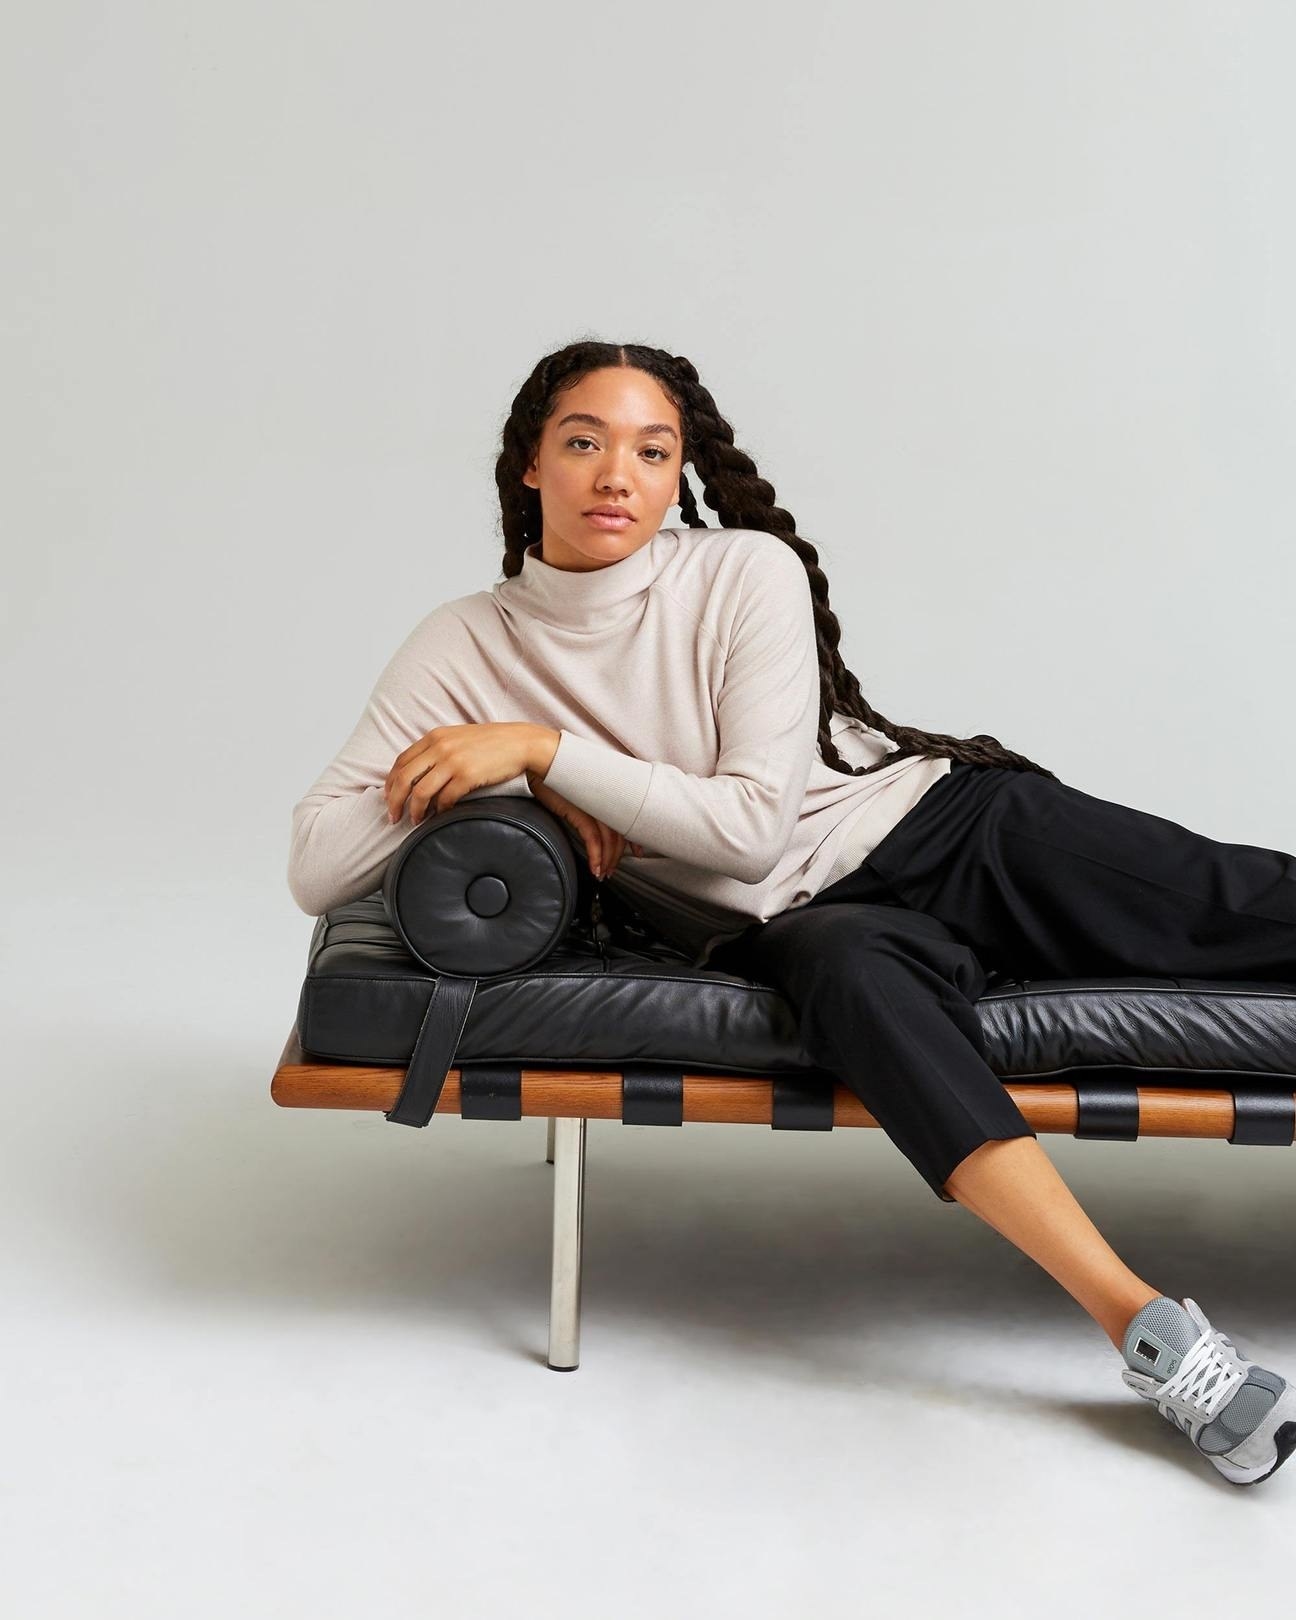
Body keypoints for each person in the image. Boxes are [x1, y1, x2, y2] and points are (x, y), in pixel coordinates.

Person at [288, 340, 1296, 1486]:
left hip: (946, 834)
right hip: (795, 928)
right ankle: (1155, 1336)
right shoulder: (465, 642)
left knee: (1240, 907)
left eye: (651, 450)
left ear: (678, 477)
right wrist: (515, 792)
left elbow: (752, 827)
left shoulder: (739, 572)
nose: (617, 473)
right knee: (864, 994)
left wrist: (544, 751)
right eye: (584, 441)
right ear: (530, 465)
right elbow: (319, 863)